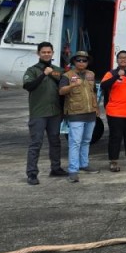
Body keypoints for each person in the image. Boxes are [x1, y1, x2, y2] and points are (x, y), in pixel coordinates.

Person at [22, 41, 66, 185]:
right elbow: (29, 86)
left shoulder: (59, 70)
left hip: (55, 112)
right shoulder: (32, 70)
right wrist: (43, 74)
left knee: (55, 141)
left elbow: (64, 89)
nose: (46, 54)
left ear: (53, 53)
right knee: (36, 143)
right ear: (38, 54)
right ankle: (32, 173)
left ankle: (56, 168)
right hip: (39, 113)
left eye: (49, 52)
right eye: (43, 52)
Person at [58, 51, 101, 183]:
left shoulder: (90, 74)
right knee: (75, 142)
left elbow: (93, 92)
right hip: (75, 113)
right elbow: (61, 91)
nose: (81, 62)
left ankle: (84, 164)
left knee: (86, 140)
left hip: (90, 113)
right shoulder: (67, 75)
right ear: (74, 62)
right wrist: (72, 85)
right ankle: (73, 170)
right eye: (79, 60)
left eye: (84, 60)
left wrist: (97, 107)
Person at [100, 50, 126, 172]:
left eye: (125, 58)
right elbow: (103, 86)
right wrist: (117, 76)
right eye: (120, 58)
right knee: (115, 137)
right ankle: (113, 161)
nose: (123, 60)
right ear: (117, 60)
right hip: (115, 111)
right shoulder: (110, 73)